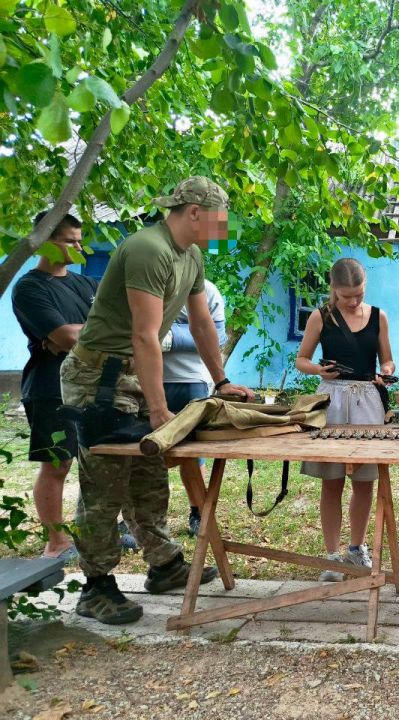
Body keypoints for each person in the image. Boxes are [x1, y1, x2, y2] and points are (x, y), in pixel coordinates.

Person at [60, 177, 254, 625]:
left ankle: (163, 564)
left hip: (134, 374)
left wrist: (221, 380)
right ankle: (95, 586)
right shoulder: (149, 248)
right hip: (99, 379)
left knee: (149, 471)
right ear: (194, 212)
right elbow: (144, 334)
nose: (222, 228)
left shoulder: (191, 255)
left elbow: (204, 324)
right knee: (105, 482)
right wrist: (159, 408)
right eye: (219, 219)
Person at [295, 258, 395, 582]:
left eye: (359, 294)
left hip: (368, 400)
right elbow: (301, 359)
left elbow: (389, 359)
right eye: (346, 296)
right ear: (333, 289)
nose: (353, 302)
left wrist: (387, 373)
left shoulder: (379, 317)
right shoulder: (320, 316)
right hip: (332, 399)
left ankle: (357, 547)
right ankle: (331, 557)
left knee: (365, 478)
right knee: (331, 479)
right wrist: (318, 370)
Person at [12, 213, 95, 560]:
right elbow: (64, 336)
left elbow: (118, 325)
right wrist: (69, 336)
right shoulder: (30, 287)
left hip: (93, 386)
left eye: (80, 240)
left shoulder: (86, 285)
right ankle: (56, 541)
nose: (78, 247)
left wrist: (73, 336)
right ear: (45, 240)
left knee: (100, 461)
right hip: (50, 388)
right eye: (69, 240)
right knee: (57, 464)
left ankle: (100, 528)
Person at [161, 279, 227, 536]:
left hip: (193, 380)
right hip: (146, 380)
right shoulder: (148, 283)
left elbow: (217, 336)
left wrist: (167, 337)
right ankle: (137, 518)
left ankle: (198, 512)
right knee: (144, 453)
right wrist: (189, 331)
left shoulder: (207, 291)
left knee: (192, 452)